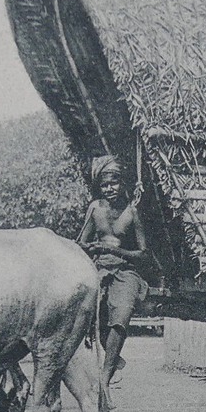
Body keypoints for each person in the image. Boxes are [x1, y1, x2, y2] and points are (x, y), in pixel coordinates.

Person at [77, 156, 149, 385]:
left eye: (114, 183)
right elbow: (80, 243)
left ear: (123, 183)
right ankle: (113, 359)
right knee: (92, 316)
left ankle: (105, 377)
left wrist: (113, 250)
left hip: (125, 271)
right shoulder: (95, 209)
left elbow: (143, 254)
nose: (110, 189)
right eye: (105, 185)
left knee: (122, 313)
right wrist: (92, 248)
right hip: (98, 268)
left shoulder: (132, 212)